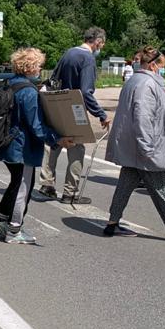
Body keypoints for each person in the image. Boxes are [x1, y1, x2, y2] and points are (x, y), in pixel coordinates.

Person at [103, 47, 165, 242]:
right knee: (162, 188)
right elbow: (143, 116)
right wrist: (147, 147)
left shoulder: (138, 80)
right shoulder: (147, 83)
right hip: (146, 146)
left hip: (137, 146)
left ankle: (112, 223)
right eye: (161, 66)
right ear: (152, 65)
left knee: (125, 184)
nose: (162, 70)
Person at [0, 48, 74, 244]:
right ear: (30, 67)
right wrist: (57, 139)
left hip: (6, 142)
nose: (40, 69)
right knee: (23, 188)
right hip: (22, 147)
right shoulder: (28, 92)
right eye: (39, 65)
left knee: (16, 182)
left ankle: (0, 218)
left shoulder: (8, 83)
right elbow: (36, 125)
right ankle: (14, 230)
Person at [38, 27, 111, 204]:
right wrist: (100, 114)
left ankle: (47, 184)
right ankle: (70, 193)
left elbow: (54, 78)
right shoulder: (88, 59)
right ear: (98, 42)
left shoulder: (69, 52)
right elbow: (85, 92)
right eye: (102, 44)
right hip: (74, 105)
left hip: (57, 103)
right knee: (76, 148)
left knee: (54, 143)